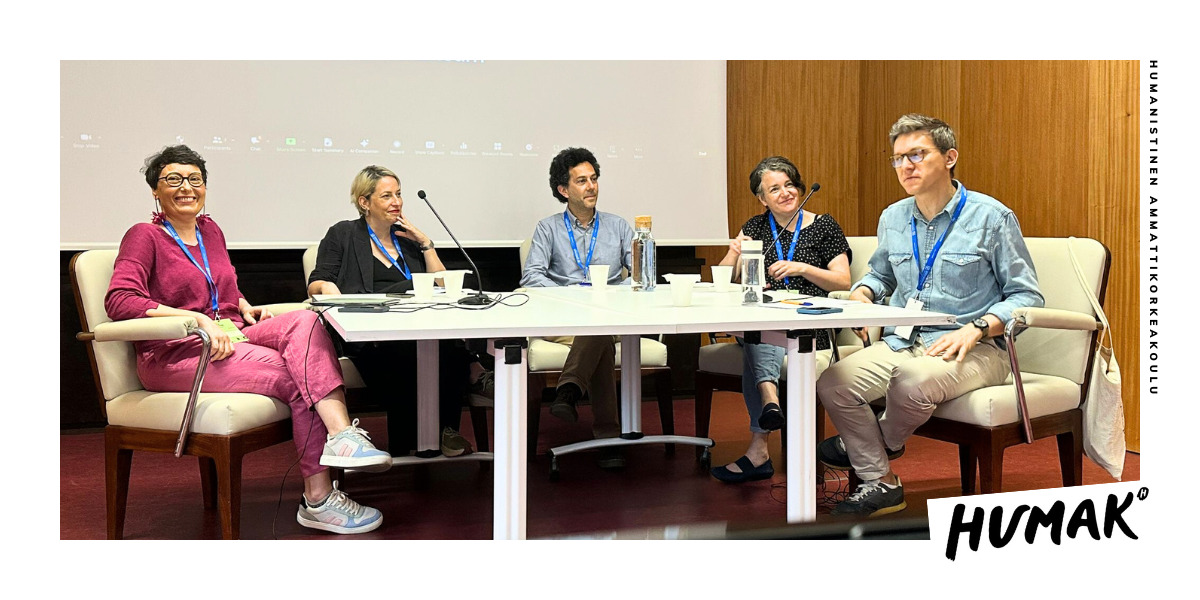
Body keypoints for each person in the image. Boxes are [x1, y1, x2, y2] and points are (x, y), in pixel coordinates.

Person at [105, 145, 390, 535]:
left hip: (231, 335)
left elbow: (216, 287)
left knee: (305, 321)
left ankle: (342, 437)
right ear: (156, 190)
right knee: (298, 377)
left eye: (195, 179)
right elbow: (120, 300)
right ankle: (319, 500)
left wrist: (243, 305)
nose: (186, 187)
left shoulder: (210, 230)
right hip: (176, 353)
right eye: (174, 179)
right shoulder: (144, 236)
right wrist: (193, 320)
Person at [816, 114, 1044, 516]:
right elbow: (879, 273)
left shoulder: (992, 218)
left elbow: (1026, 297)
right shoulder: (893, 217)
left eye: (917, 155)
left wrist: (976, 329)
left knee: (912, 381)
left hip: (976, 349)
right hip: (904, 340)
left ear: (950, 157)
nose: (906, 166)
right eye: (898, 158)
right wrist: (864, 294)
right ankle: (881, 482)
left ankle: (881, 440)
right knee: (834, 382)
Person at [308, 165, 492, 459]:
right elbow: (317, 281)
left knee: (442, 346)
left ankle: (442, 431)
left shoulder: (406, 240)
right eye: (386, 196)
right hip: (369, 336)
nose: (396, 202)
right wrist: (331, 291)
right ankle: (426, 435)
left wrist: (425, 243)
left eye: (399, 194)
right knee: (419, 355)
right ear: (364, 202)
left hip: (415, 327)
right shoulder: (343, 233)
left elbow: (443, 284)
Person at [709, 156, 851, 483]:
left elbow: (843, 281)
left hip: (809, 324)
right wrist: (734, 252)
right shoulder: (756, 227)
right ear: (762, 198)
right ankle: (769, 405)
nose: (785, 192)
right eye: (775, 189)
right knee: (757, 327)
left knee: (756, 336)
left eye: (790, 185)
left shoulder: (823, 225)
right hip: (764, 317)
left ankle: (762, 432)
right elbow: (724, 282)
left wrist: (802, 268)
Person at [521, 147, 633, 469]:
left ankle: (569, 391)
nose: (591, 186)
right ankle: (608, 438)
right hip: (562, 320)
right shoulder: (548, 228)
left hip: (605, 317)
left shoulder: (619, 226)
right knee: (599, 336)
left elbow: (639, 277)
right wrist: (569, 296)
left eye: (594, 179)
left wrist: (609, 295)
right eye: (581, 181)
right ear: (563, 190)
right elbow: (531, 276)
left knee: (597, 331)